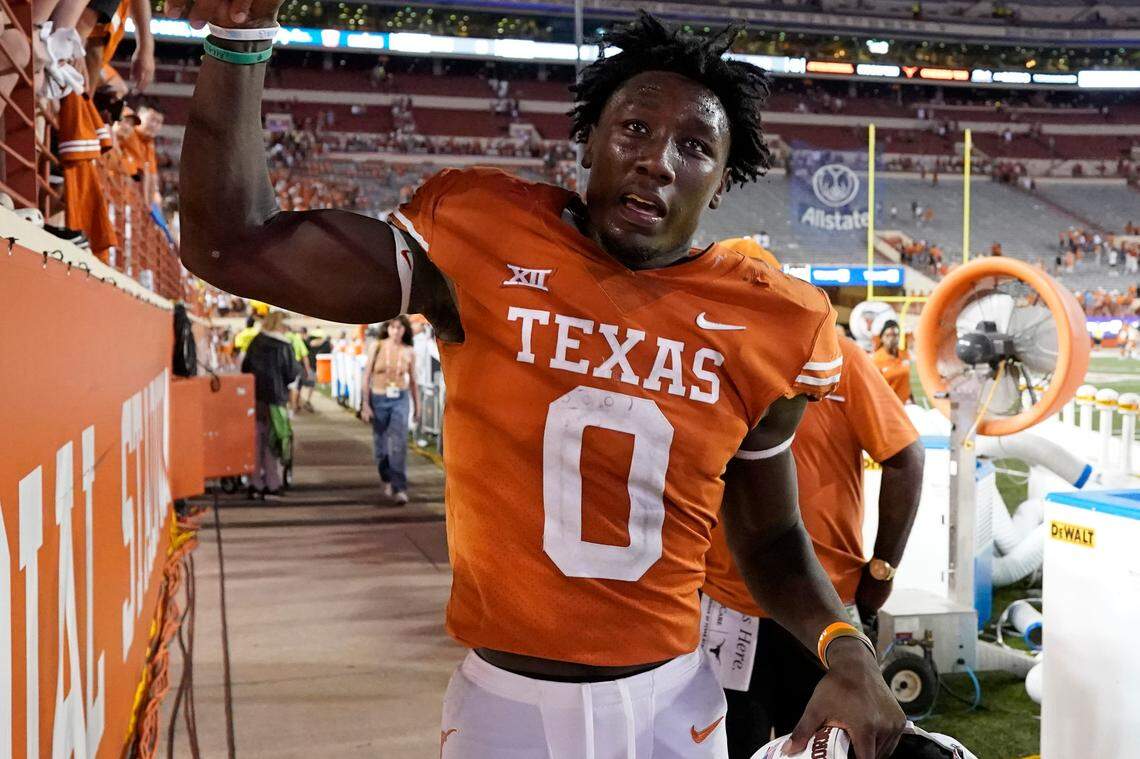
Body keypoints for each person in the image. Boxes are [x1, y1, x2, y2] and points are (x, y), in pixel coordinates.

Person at [175, 7, 904, 756]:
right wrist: (235, 38)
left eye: (694, 147)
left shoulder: (770, 318)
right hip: (505, 704)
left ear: (721, 183)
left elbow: (773, 536)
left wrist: (846, 645)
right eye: (634, 130)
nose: (658, 160)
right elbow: (230, 246)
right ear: (589, 141)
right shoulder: (482, 242)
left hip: (673, 705)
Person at [701, 336, 924, 758]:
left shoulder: (836, 355)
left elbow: (905, 455)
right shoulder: (708, 348)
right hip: (726, 604)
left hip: (819, 607)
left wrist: (882, 568)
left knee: (828, 745)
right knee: (724, 743)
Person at [361, 315, 419, 505]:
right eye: (393, 327)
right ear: (388, 328)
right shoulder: (376, 346)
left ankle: (399, 487)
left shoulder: (409, 351)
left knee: (399, 444)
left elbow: (414, 382)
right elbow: (366, 376)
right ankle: (386, 476)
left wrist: (417, 407)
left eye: (400, 328)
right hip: (378, 398)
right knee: (381, 446)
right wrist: (365, 404)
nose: (396, 331)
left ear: (405, 330)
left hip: (400, 399)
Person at [241, 311, 298, 498]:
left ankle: (255, 482)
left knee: (256, 442)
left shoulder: (255, 342)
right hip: (276, 400)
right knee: (274, 443)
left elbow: (245, 368)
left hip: (256, 399)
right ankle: (273, 482)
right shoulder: (285, 346)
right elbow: (291, 374)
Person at [872, 321, 912, 404]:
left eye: (895, 335)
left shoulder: (904, 354)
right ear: (882, 338)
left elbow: (907, 382)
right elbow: (873, 388)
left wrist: (912, 400)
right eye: (888, 335)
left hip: (905, 404)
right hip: (888, 405)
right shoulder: (876, 360)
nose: (892, 338)